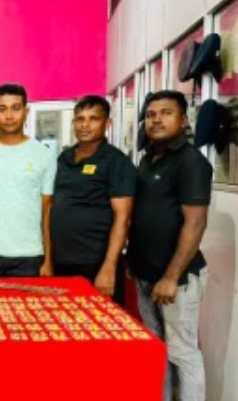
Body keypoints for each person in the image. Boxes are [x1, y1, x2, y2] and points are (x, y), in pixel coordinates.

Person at [127, 90, 212, 401]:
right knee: (158, 347)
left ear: (183, 120)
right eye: (151, 114)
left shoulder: (190, 161)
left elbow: (195, 223)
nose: (156, 120)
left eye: (166, 113)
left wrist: (171, 277)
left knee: (182, 352)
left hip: (177, 278)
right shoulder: (148, 159)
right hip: (146, 274)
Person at [50, 95, 135, 304]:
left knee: (99, 320)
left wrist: (109, 267)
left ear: (108, 123)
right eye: (80, 119)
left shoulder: (117, 162)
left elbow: (123, 217)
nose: (85, 125)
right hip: (61, 261)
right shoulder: (64, 158)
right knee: (64, 319)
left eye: (93, 119)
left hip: (95, 262)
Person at [0, 83, 57, 277]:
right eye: (2, 109)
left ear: (26, 112)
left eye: (15, 108)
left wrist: (48, 260)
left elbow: (47, 210)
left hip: (31, 256)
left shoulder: (44, 156)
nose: (9, 116)